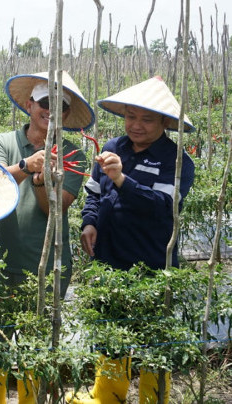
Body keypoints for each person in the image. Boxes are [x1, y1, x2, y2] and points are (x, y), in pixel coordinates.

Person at [69, 76, 195, 404]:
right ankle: (107, 397)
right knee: (109, 340)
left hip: (153, 267)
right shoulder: (111, 148)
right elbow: (94, 194)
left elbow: (163, 207)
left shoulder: (177, 160)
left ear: (165, 122)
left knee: (154, 343)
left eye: (147, 119)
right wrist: (89, 223)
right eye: (130, 116)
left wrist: (122, 179)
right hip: (109, 261)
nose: (136, 125)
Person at [0, 71, 95, 404]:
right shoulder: (3, 143)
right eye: (45, 102)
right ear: (30, 105)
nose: (51, 110)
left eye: (60, 106)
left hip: (48, 270)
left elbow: (54, 209)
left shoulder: (73, 154)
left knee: (38, 345)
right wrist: (27, 165)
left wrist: (43, 178)